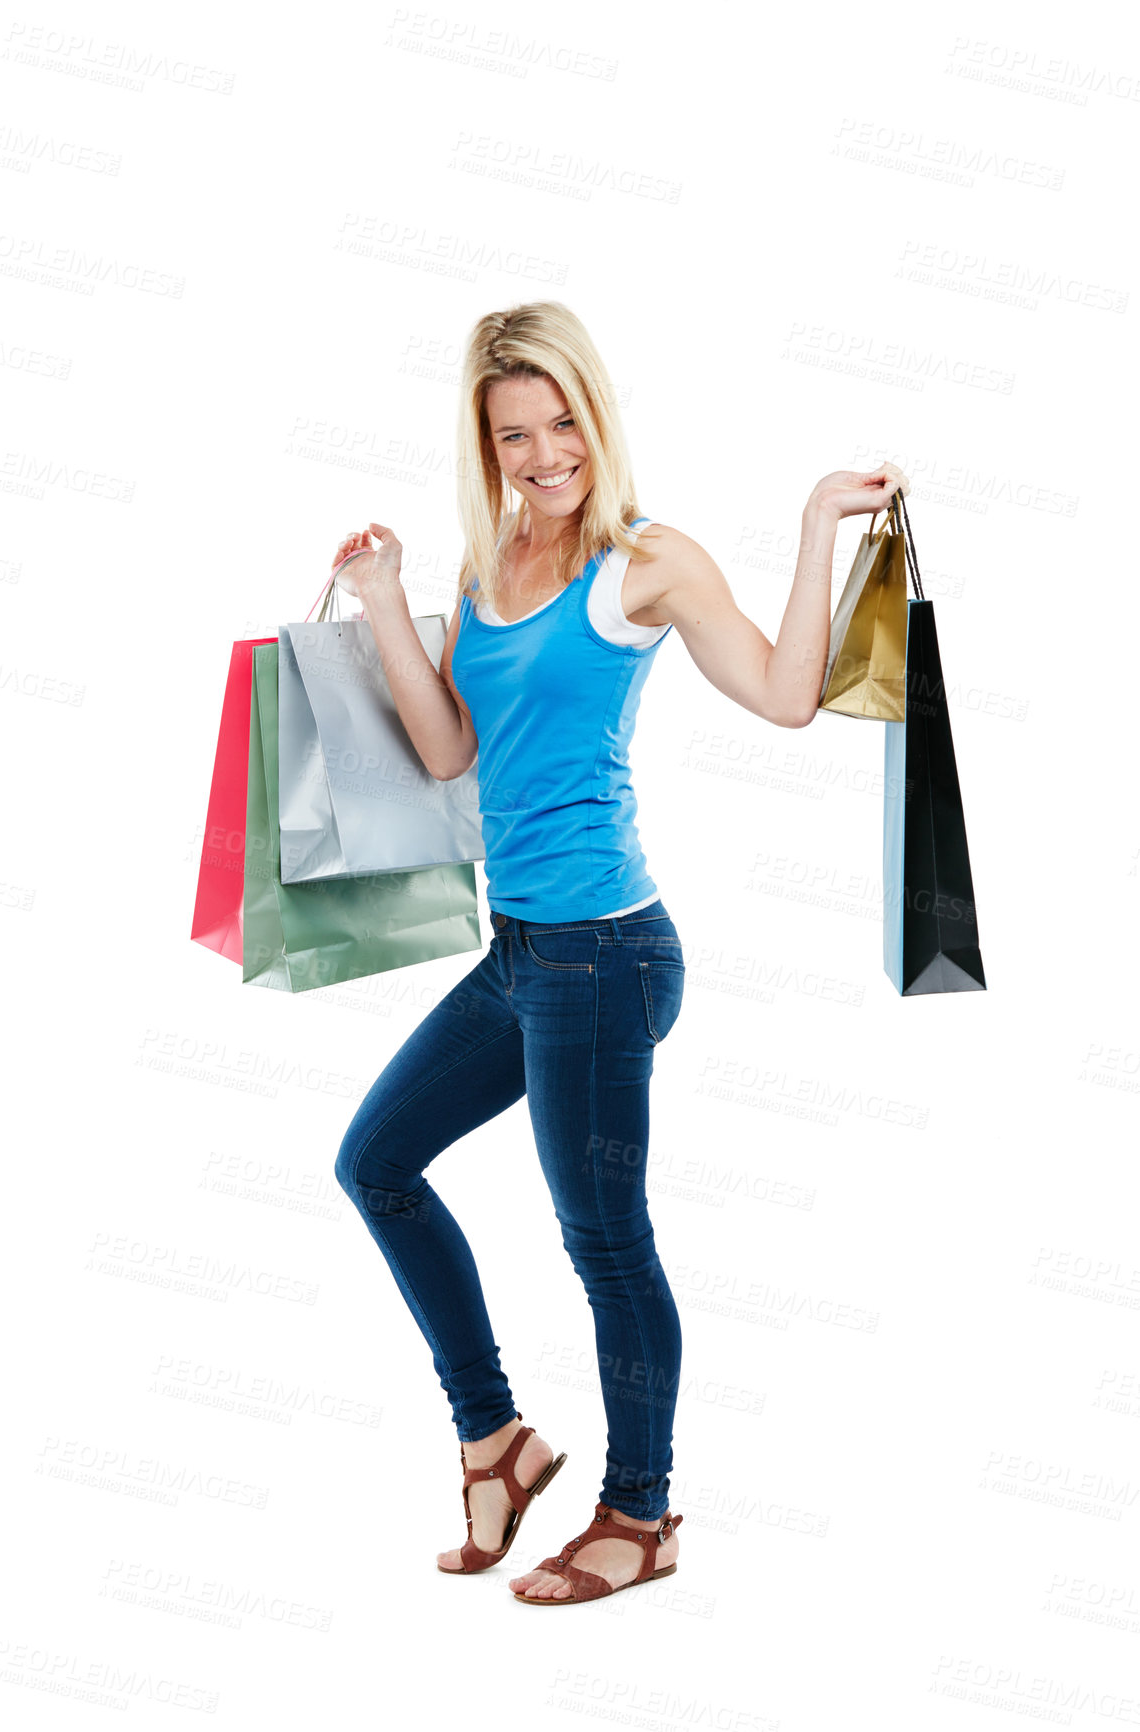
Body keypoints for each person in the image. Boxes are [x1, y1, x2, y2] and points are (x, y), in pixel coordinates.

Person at [332, 300, 909, 1605]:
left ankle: (637, 1517)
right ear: (484, 446)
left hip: (607, 957)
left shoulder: (642, 562)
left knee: (603, 1243)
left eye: (562, 424)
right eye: (513, 434)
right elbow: (444, 754)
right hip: (520, 953)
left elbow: (784, 696)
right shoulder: (493, 565)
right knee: (373, 1163)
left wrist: (817, 529)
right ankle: (495, 1440)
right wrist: (379, 603)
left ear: (597, 416)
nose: (544, 455)